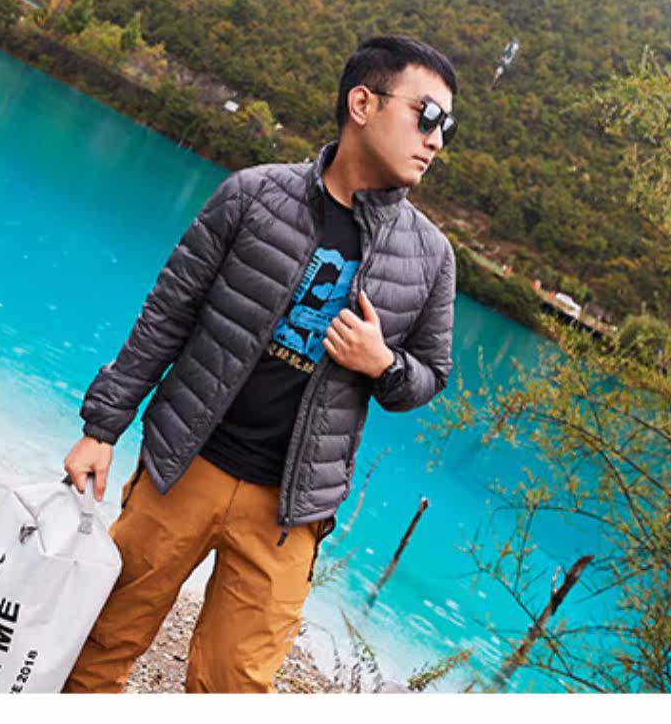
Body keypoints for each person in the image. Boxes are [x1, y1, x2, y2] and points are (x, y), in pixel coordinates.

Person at [61, 35, 460, 693]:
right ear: (363, 103)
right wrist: (101, 429)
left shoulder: (431, 257)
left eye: (447, 126)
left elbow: (427, 377)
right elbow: (168, 314)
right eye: (427, 115)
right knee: (102, 641)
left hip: (290, 510)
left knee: (236, 685)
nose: (437, 140)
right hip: (183, 467)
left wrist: (382, 361)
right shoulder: (253, 195)